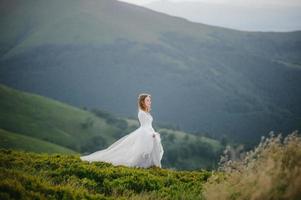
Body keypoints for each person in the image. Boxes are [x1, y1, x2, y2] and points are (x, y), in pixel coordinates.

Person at [80, 93, 164, 168]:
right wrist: (150, 134)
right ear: (142, 102)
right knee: (140, 152)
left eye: (150, 100)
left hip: (149, 132)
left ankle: (149, 165)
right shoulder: (141, 113)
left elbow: (149, 125)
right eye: (148, 100)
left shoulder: (146, 112)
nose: (150, 102)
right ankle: (139, 165)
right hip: (145, 133)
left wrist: (153, 133)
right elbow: (144, 125)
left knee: (148, 150)